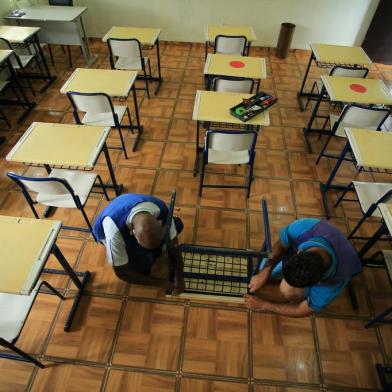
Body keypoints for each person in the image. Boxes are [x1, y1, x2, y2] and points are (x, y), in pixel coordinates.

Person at [245, 218, 362, 317]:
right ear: (299, 252)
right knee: (262, 270)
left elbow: (301, 310)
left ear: (317, 283)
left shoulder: (333, 283)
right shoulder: (305, 228)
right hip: (314, 242)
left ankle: (291, 295)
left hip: (343, 262)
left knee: (286, 291)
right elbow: (281, 244)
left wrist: (265, 305)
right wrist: (266, 270)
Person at [93, 193, 184, 293]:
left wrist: (179, 275)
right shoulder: (114, 233)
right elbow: (122, 272)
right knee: (141, 268)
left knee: (178, 225)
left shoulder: (162, 210)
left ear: (160, 223)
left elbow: (175, 244)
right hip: (112, 222)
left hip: (128, 204)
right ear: (133, 233)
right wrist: (160, 283)